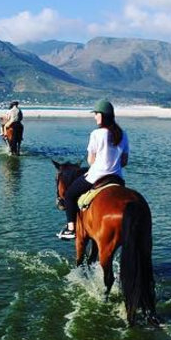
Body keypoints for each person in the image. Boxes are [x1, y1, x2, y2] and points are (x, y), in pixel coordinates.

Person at [57, 99, 129, 240]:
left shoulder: (96, 134)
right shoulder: (123, 134)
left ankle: (71, 228)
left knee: (70, 194)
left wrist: (100, 165)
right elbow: (124, 161)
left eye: (96, 113)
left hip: (97, 176)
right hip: (118, 178)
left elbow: (91, 161)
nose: (94, 116)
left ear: (102, 115)